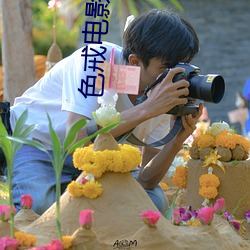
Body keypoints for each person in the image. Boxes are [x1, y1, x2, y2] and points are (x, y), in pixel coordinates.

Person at [6, 9, 203, 215]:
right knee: (39, 207)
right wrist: (147, 108)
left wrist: (176, 140)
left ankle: (70, 199)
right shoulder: (97, 60)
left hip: (96, 157)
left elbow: (147, 180)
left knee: (152, 202)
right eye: (167, 67)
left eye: (182, 65)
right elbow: (76, 139)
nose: (176, 75)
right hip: (37, 143)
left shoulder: (165, 89)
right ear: (135, 62)